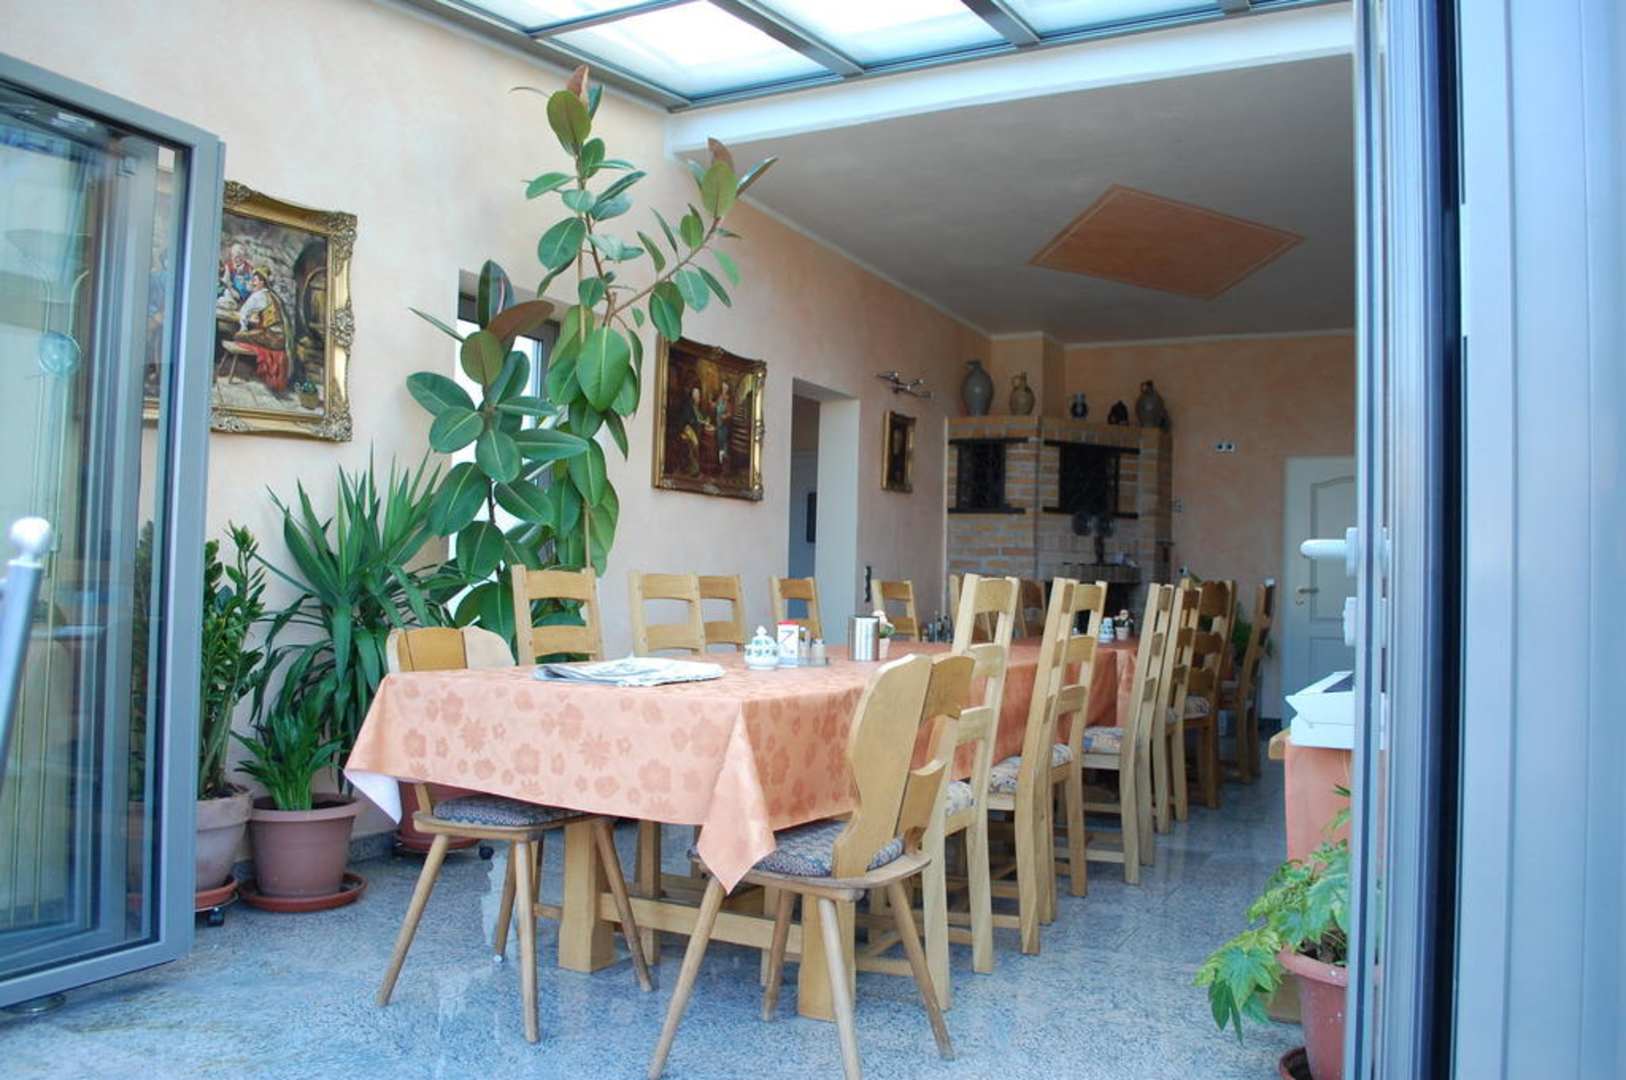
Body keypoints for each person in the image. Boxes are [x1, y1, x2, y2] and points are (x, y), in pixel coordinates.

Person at [233, 267, 289, 394]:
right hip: (280, 338)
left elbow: (243, 313)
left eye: (255, 280)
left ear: (262, 282)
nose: (252, 283)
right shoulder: (272, 295)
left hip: (271, 337)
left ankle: (244, 371)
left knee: (238, 336)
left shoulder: (258, 296)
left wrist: (243, 328)